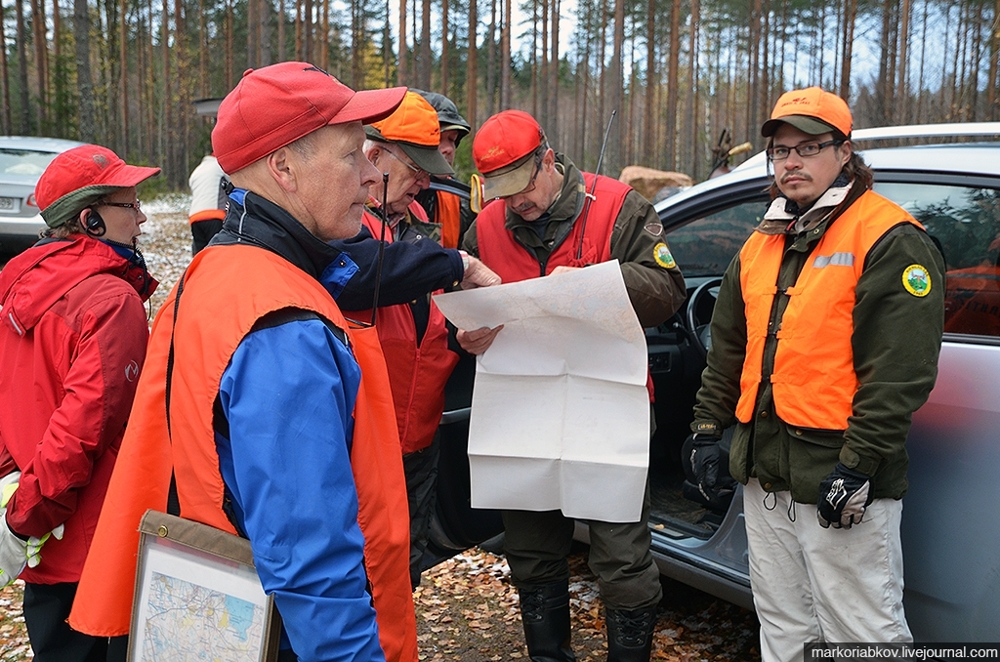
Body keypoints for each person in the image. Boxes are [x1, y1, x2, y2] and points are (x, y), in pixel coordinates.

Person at [68, 62, 418, 662]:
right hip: (275, 628)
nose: (370, 176)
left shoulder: (215, 271)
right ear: (283, 168)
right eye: (352, 155)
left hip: (216, 609)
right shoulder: (283, 325)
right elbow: (311, 560)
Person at [688, 87, 945, 661]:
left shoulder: (889, 237)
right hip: (764, 474)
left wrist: (857, 468)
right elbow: (729, 349)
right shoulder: (761, 243)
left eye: (809, 147)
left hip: (840, 474)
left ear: (844, 152)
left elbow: (898, 375)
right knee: (783, 623)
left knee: (862, 630)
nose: (792, 162)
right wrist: (708, 433)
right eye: (781, 151)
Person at [459, 109, 687, 662]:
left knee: (621, 554)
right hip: (519, 407)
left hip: (607, 404)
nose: (516, 204)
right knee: (531, 549)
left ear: (548, 160)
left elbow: (668, 290)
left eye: (523, 187)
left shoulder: (617, 206)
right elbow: (458, 308)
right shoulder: (484, 226)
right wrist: (465, 336)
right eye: (502, 193)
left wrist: (599, 283)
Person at [0, 144, 160, 661]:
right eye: (129, 204)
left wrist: (18, 507)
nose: (142, 217)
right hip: (94, 541)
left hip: (45, 537)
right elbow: (81, 431)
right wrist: (26, 514)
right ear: (91, 220)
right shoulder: (111, 301)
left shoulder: (22, 285)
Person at [338, 91, 499, 590]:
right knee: (356, 578)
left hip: (417, 441)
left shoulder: (413, 230)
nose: (426, 182)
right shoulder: (341, 225)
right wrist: (460, 263)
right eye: (417, 169)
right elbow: (362, 274)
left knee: (401, 572)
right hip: (361, 446)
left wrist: (460, 336)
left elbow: (416, 322)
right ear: (374, 156)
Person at [412, 89, 476, 248]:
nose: (449, 149)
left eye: (452, 140)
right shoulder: (385, 194)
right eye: (440, 138)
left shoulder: (461, 199)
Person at [187, 153, 229, 254]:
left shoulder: (196, 171)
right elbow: (233, 183)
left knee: (201, 254)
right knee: (217, 252)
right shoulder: (220, 166)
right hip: (215, 214)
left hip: (195, 217)